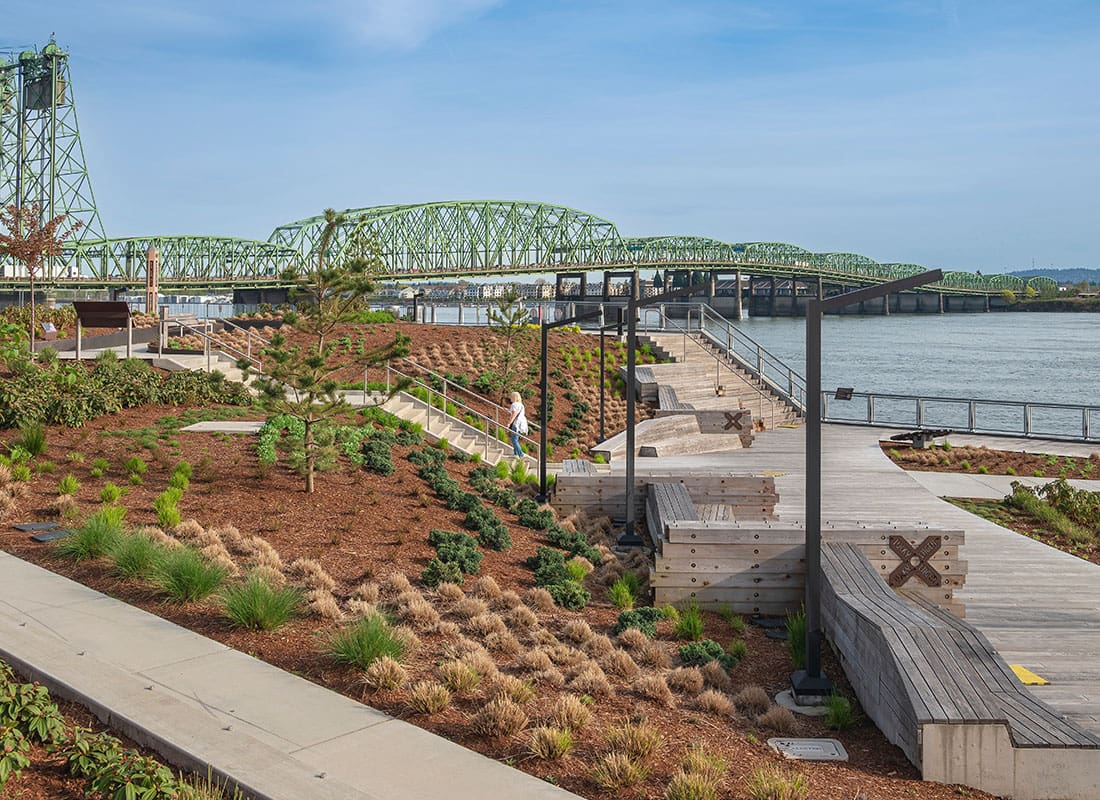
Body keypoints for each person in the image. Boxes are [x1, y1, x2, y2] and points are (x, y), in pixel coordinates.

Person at [506, 391, 528, 458]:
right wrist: (507, 410)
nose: (510, 398)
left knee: (514, 440)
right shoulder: (520, 405)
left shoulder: (514, 404)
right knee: (515, 439)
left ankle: (521, 454)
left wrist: (509, 423)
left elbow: (514, 415)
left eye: (511, 396)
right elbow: (515, 412)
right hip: (521, 423)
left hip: (516, 424)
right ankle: (516, 454)